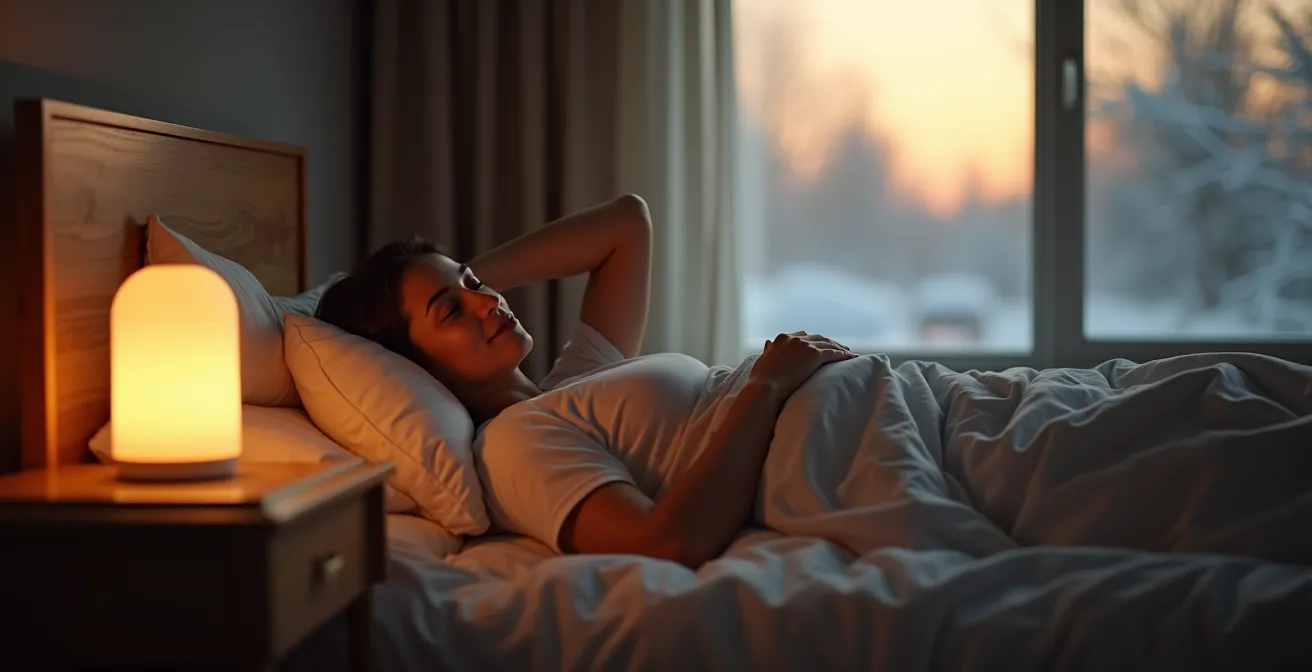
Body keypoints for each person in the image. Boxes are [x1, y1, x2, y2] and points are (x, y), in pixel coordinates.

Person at [317, 195, 857, 569]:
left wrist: (451, 281)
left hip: (873, 411)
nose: (489, 300)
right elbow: (664, 542)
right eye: (450, 312)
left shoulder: (571, 382)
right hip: (846, 451)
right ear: (415, 367)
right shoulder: (513, 445)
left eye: (476, 283)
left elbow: (626, 223)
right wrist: (765, 387)